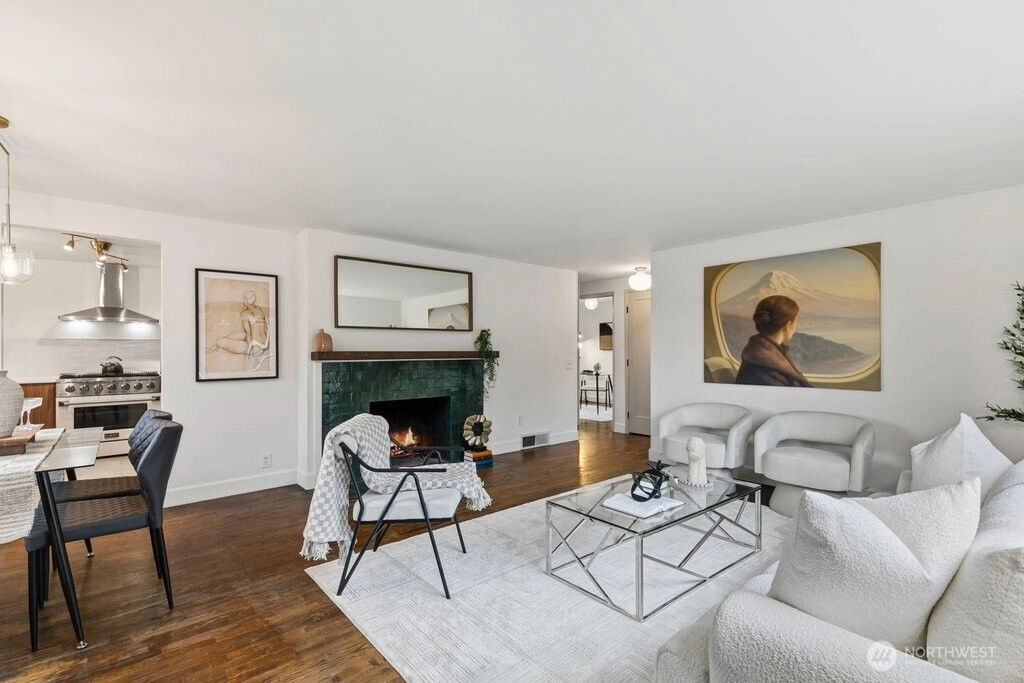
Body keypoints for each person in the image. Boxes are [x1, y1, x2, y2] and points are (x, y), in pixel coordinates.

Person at [734, 295, 811, 387]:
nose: (796, 326)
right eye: (796, 322)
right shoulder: (765, 365)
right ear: (788, 325)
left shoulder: (759, 352)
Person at [208, 290, 271, 371]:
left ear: (248, 300)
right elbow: (264, 329)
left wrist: (251, 351)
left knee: (219, 341)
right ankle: (224, 340)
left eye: (245, 298)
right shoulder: (259, 309)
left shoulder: (244, 314)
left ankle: (217, 345)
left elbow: (249, 334)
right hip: (264, 344)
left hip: (255, 348)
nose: (243, 301)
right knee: (240, 335)